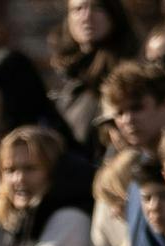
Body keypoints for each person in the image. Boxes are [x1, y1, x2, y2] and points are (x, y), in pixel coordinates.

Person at [51, 0, 142, 145]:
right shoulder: (68, 76)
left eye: (97, 8)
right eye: (77, 9)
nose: (86, 16)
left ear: (114, 14)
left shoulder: (130, 73)